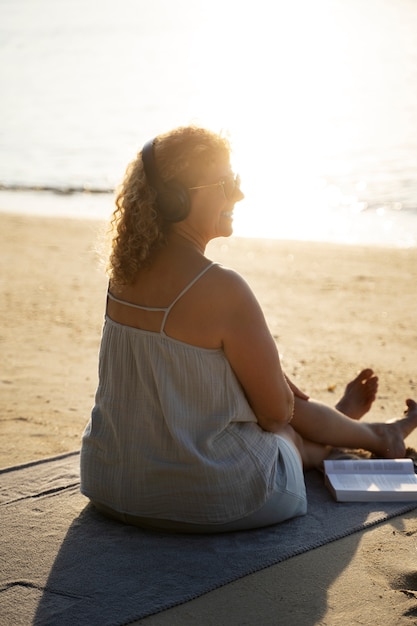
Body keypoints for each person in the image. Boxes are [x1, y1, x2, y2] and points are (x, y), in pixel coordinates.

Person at [80, 125, 417, 533]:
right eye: (225, 183)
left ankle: (363, 431)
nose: (238, 194)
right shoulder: (222, 288)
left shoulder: (123, 274)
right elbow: (276, 414)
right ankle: (367, 435)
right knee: (285, 436)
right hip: (212, 497)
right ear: (176, 200)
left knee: (265, 408)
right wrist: (270, 382)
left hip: (111, 485)